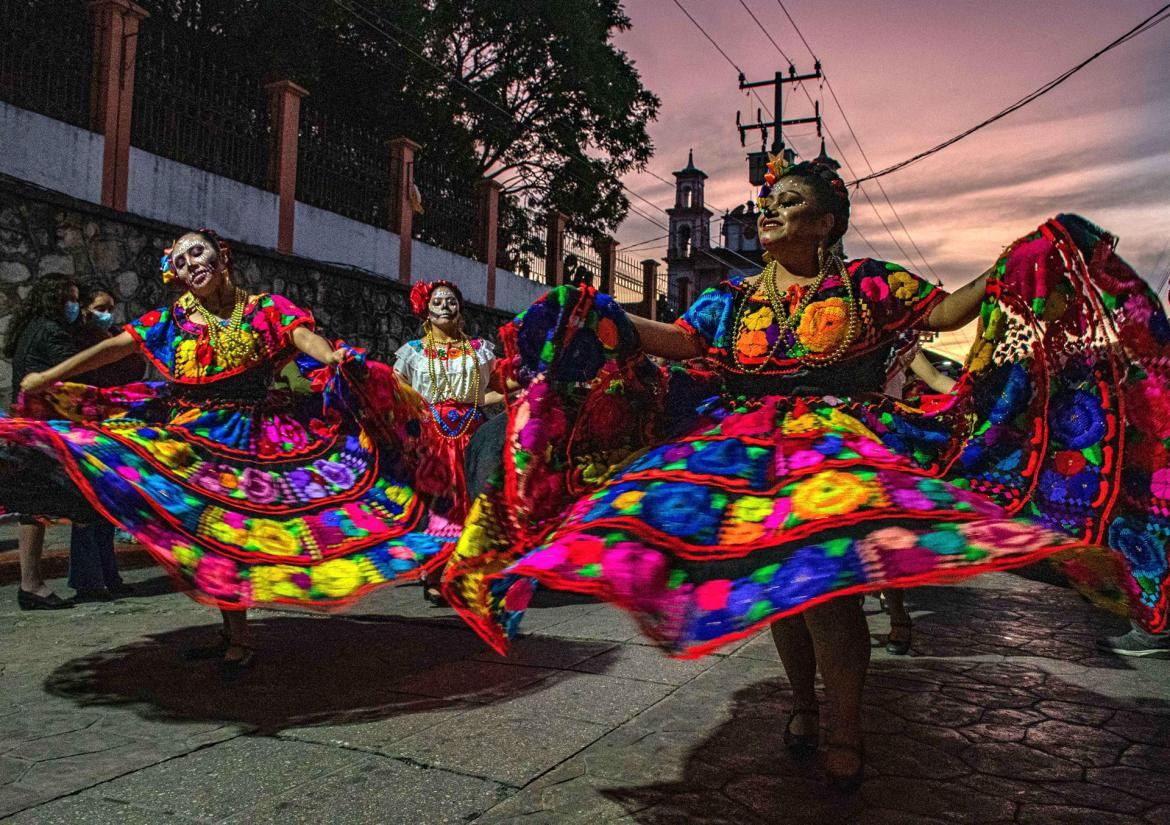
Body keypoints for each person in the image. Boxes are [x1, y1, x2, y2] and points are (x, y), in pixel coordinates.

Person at [443, 155, 1170, 791]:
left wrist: (1014, 260)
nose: (769, 211)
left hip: (838, 451)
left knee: (827, 595)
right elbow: (683, 339)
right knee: (784, 594)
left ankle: (846, 732)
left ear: (824, 223)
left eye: (787, 203)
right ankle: (806, 706)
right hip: (749, 453)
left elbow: (945, 311)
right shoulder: (730, 297)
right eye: (766, 203)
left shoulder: (867, 284)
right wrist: (607, 319)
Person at [2, 229, 441, 674]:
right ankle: (235, 631)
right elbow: (113, 347)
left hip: (250, 437)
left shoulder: (263, 308)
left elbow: (301, 336)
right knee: (202, 532)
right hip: (192, 436)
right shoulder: (175, 319)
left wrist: (331, 360)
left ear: (222, 255)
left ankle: (239, 635)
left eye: (198, 252)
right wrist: (47, 377)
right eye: (180, 262)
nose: (191, 264)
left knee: (235, 537)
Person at [393, 280, 500, 605]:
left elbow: (493, 389)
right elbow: (397, 391)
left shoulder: (480, 351)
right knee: (438, 506)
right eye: (437, 300)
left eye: (451, 300)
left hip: (473, 434)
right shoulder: (412, 352)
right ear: (426, 310)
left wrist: (518, 389)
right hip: (431, 438)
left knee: (475, 503)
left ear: (461, 309)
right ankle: (436, 574)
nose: (444, 305)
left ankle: (469, 574)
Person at [2, 273, 82, 610]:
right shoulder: (51, 331)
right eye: (71, 299)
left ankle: (31, 582)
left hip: (30, 428)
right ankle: (32, 583)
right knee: (39, 504)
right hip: (45, 432)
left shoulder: (28, 329)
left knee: (33, 505)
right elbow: (75, 373)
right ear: (57, 300)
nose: (75, 306)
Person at [65, 284, 146, 601]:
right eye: (100, 307)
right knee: (87, 507)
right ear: (84, 309)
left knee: (107, 509)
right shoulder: (81, 341)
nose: (106, 313)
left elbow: (134, 366)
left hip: (113, 429)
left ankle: (107, 575)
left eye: (110, 307)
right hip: (88, 429)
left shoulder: (111, 335)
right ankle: (88, 580)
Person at [878, 342, 958, 655]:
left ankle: (898, 614)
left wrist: (972, 395)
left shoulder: (897, 342)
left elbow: (936, 380)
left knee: (885, 536)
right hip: (839, 441)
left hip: (886, 443)